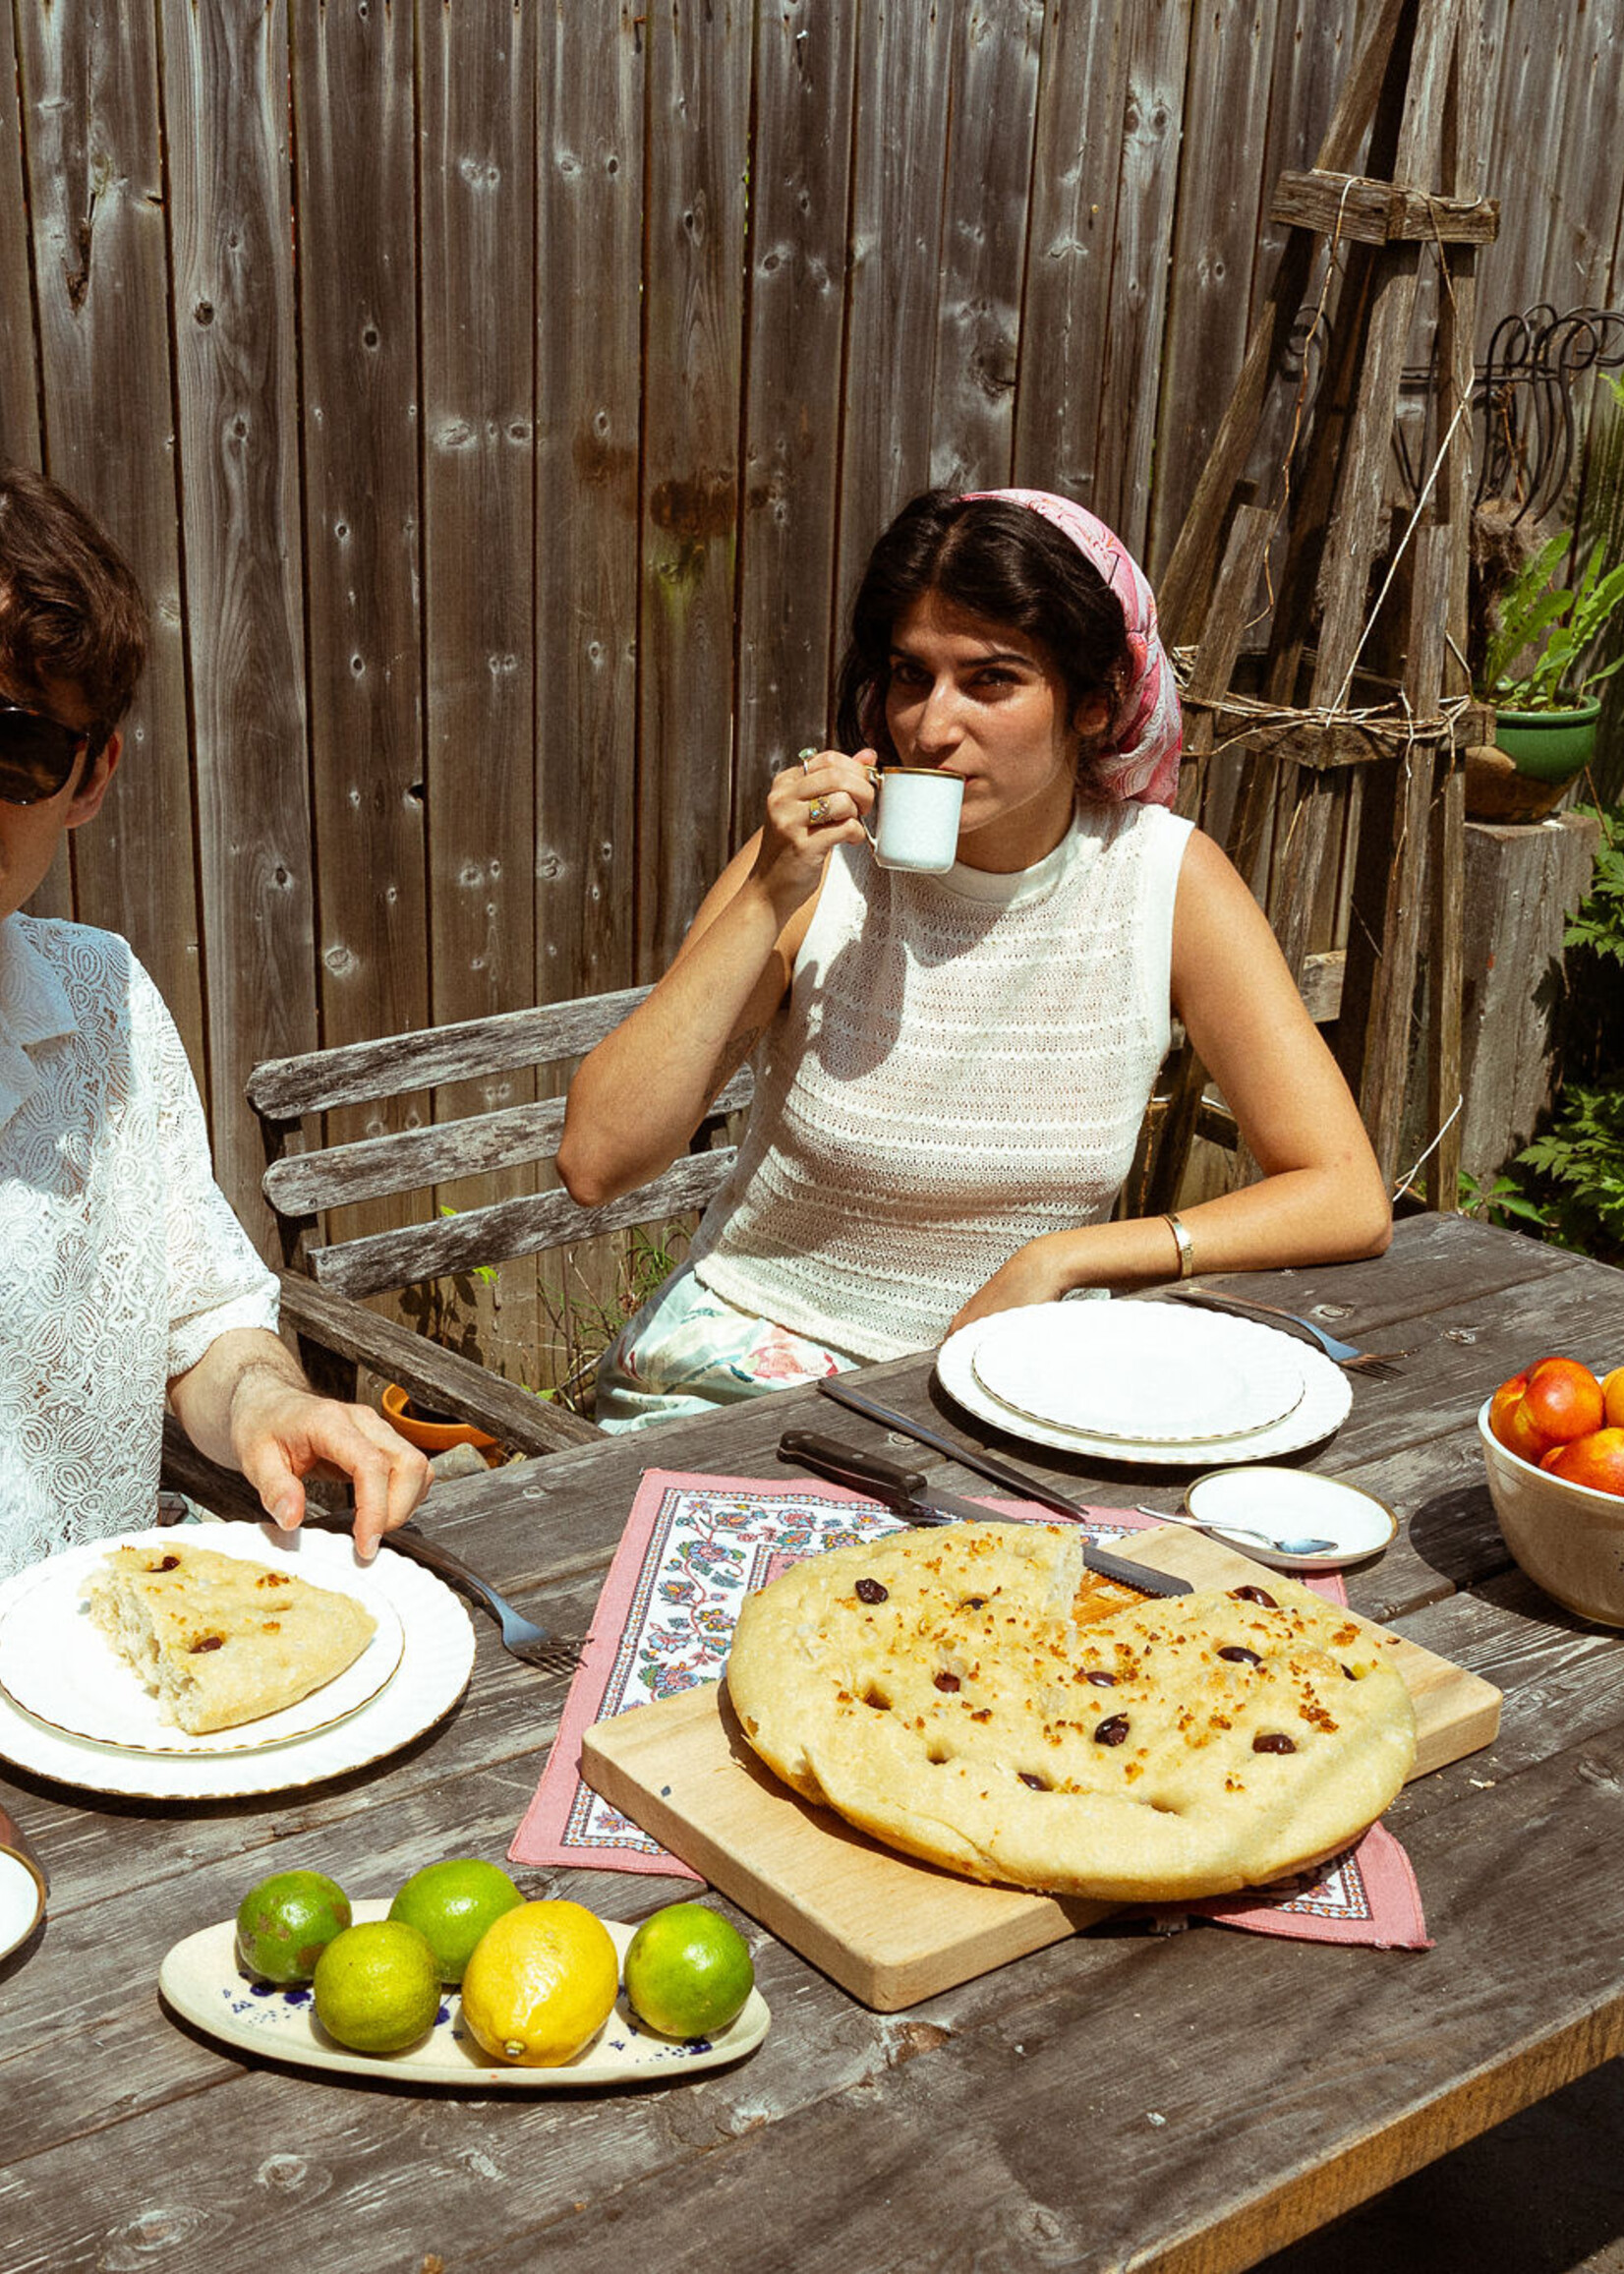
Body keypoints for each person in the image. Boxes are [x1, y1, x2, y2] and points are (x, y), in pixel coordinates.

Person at [558, 487, 1393, 1429]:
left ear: (1092, 702)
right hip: (742, 1381)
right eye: (910, 675)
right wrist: (767, 895)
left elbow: (1345, 1193)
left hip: (1012, 1389)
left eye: (990, 679)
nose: (929, 726)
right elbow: (596, 1160)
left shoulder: (1161, 880)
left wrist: (1070, 1259)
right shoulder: (817, 869)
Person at [0, 465, 431, 1575]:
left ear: (92, 775)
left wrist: (264, 1405)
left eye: (12, 749)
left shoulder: (100, 1002)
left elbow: (197, 1322)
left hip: (102, 1675)